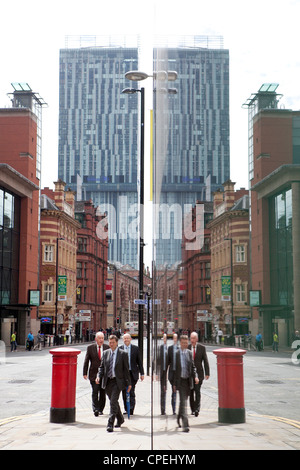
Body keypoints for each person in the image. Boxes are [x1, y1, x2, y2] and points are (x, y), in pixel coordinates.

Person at [96, 334, 131, 432]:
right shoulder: (105, 353)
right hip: (107, 381)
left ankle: (110, 423)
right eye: (110, 342)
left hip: (117, 381)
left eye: (113, 343)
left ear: (117, 343)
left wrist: (129, 384)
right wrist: (99, 376)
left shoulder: (123, 354)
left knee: (112, 402)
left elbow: (126, 370)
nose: (111, 344)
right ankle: (120, 419)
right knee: (114, 401)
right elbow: (101, 367)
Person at [174, 335, 199, 432]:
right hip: (180, 381)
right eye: (183, 343)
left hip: (188, 381)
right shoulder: (176, 354)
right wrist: (173, 384)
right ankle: (185, 425)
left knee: (183, 402)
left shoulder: (189, 353)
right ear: (180, 343)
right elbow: (173, 370)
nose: (184, 344)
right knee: (184, 402)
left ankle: (178, 417)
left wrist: (195, 376)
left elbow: (193, 367)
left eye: (186, 343)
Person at [83, 331, 109, 416]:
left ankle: (101, 409)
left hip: (104, 374)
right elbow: (86, 361)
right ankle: (95, 409)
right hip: (93, 374)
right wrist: (85, 372)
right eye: (100, 338)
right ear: (96, 339)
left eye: (102, 338)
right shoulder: (90, 348)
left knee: (102, 392)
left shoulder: (107, 347)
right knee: (95, 391)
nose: (101, 340)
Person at [119, 333, 144, 416]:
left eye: (128, 338)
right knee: (124, 392)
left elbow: (139, 362)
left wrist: (142, 373)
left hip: (132, 373)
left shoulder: (135, 349)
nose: (126, 340)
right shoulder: (120, 349)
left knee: (131, 391)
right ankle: (126, 409)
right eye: (125, 338)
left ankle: (131, 409)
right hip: (123, 374)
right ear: (123, 340)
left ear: (130, 339)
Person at [188, 331, 210, 416]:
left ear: (196, 339)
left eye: (193, 338)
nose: (192, 340)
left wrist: (207, 373)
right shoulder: (188, 347)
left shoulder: (202, 348)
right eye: (191, 338)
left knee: (197, 391)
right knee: (191, 392)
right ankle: (192, 409)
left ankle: (197, 409)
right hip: (190, 374)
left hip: (199, 374)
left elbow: (205, 361)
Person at [167, 333, 179, 414]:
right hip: (172, 373)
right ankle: (174, 409)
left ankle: (180, 410)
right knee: (173, 391)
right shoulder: (170, 348)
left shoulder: (180, 348)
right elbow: (168, 361)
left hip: (179, 374)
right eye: (174, 338)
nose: (175, 340)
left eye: (176, 338)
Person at [159, 334, 168, 415]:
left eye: (165, 338)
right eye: (163, 338)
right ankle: (162, 409)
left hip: (169, 373)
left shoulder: (170, 348)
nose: (164, 340)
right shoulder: (160, 348)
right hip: (162, 373)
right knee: (163, 391)